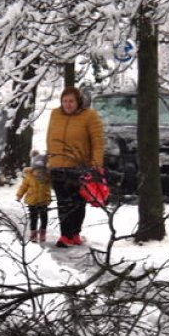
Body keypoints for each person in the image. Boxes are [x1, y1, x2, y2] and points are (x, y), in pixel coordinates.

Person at [45, 86, 104, 248]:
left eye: (71, 101)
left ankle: (75, 233)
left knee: (78, 202)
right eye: (65, 101)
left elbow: (97, 142)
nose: (68, 104)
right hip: (57, 165)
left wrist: (96, 165)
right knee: (63, 202)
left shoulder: (89, 116)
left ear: (78, 101)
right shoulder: (55, 114)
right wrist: (49, 157)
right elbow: (49, 136)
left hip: (79, 166)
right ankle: (65, 235)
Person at [15, 152, 53, 243]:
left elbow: (54, 181)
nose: (39, 173)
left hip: (44, 201)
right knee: (33, 219)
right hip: (32, 201)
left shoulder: (48, 177)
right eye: (37, 171)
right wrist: (19, 195)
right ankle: (33, 234)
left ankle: (42, 233)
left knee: (44, 218)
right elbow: (23, 187)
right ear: (33, 169)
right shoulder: (29, 176)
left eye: (41, 171)